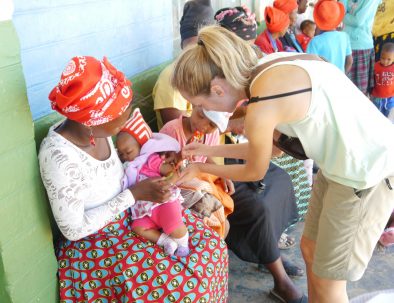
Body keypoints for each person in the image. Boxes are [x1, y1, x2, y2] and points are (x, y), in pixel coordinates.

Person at [171, 25, 394, 303]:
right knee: (310, 249)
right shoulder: (268, 68)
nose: (202, 112)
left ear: (216, 89)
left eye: (200, 104)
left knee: (329, 281)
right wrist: (206, 149)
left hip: (366, 173)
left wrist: (202, 167)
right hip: (340, 166)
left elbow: (256, 169)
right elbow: (272, 151)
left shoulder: (262, 101)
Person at [38, 56, 228, 302]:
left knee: (212, 248)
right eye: (120, 118)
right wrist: (135, 195)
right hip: (97, 243)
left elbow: (123, 172)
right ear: (93, 122)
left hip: (132, 215)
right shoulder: (58, 157)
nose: (125, 122)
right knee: (187, 291)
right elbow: (73, 230)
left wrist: (158, 165)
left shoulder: (98, 131)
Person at [161, 106, 304, 303]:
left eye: (212, 125)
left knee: (270, 193)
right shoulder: (173, 131)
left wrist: (220, 171)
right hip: (188, 186)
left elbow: (207, 155)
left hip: (207, 176)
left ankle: (270, 256)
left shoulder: (209, 132)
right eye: (201, 116)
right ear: (193, 106)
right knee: (240, 212)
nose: (204, 125)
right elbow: (167, 170)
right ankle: (276, 270)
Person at [116, 109, 190, 257]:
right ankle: (165, 241)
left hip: (162, 202)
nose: (125, 156)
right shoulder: (128, 168)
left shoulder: (151, 159)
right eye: (121, 153)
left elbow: (170, 171)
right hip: (143, 210)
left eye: (128, 151)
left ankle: (183, 243)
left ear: (142, 146)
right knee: (138, 228)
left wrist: (171, 176)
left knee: (174, 226)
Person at [341, 0, 381, 94]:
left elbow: (358, 21)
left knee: (360, 93)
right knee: (344, 88)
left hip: (361, 46)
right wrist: (342, 14)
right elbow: (340, 10)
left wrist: (342, 15)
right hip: (345, 44)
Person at [307, 0, 353, 73]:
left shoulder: (315, 42)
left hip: (322, 82)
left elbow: (310, 66)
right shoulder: (344, 36)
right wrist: (343, 75)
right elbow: (349, 61)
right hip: (339, 80)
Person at [370, 42, 394, 122]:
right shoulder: (376, 66)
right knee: (377, 115)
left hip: (390, 97)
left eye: (389, 59)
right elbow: (371, 78)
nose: (385, 61)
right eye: (383, 58)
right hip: (377, 97)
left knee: (387, 114)